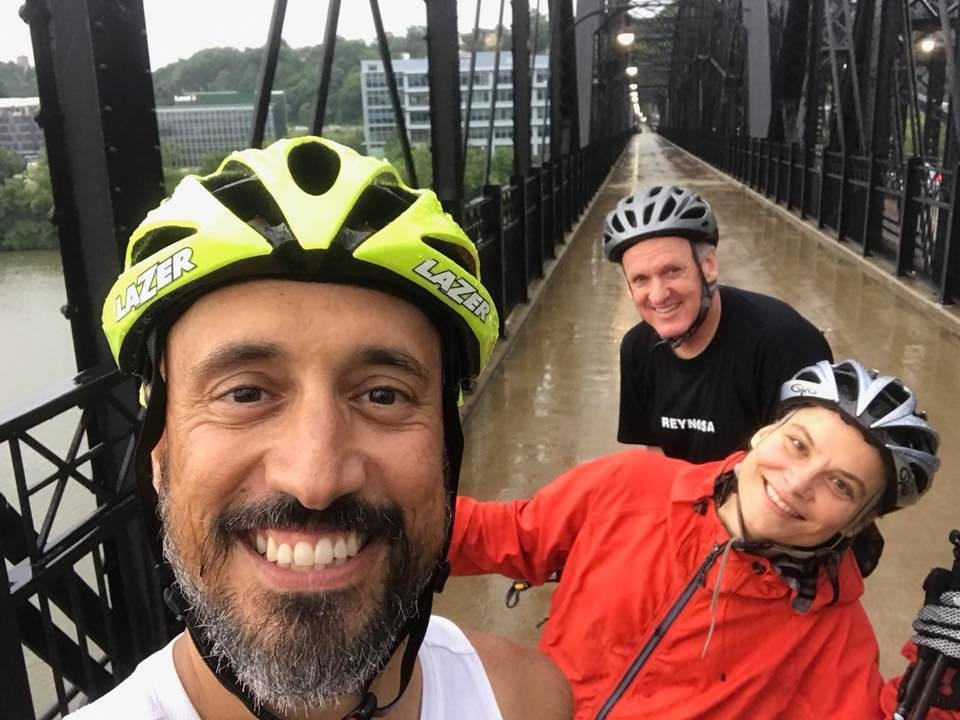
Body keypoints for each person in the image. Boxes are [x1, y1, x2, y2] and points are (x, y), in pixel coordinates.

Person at [70, 137, 572, 720]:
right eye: (244, 393)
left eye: (383, 395)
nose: (315, 478)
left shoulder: (525, 699)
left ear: (445, 453)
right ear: (158, 454)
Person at [449, 358, 960, 718]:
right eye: (798, 445)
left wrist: (941, 685)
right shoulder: (630, 485)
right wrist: (391, 518)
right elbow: (506, 533)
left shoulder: (832, 633)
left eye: (840, 485)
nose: (798, 482)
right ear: (763, 432)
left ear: (855, 523)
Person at [604, 184, 833, 463]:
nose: (658, 294)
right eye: (640, 279)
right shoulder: (636, 348)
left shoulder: (785, 343)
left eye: (673, 271)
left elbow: (808, 469)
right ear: (628, 288)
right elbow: (656, 456)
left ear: (709, 265)